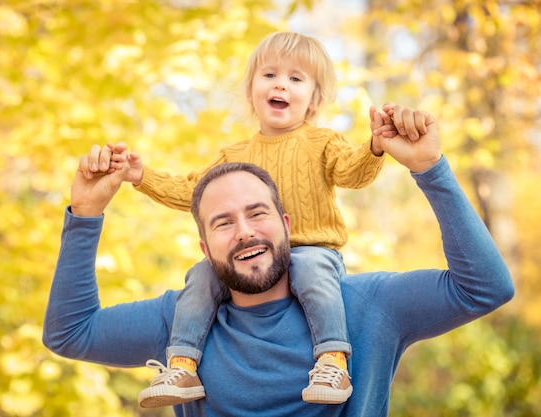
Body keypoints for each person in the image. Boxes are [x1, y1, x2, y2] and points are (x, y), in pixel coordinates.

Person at [43, 102, 514, 417]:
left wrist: (429, 169)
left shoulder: (367, 307)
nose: (245, 230)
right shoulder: (183, 320)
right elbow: (69, 334)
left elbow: (485, 288)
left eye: (257, 213)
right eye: (223, 222)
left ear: (287, 226)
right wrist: (86, 214)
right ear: (205, 248)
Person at [109, 31, 394, 408]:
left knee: (308, 269)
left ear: (314, 100)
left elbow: (353, 173)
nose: (281, 84)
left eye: (296, 78)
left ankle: (333, 360)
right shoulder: (235, 154)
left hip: (313, 250)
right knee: (201, 275)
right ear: (251, 92)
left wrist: (374, 146)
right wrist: (142, 177)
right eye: (270, 75)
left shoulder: (323, 142)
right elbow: (193, 192)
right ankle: (182, 365)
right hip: (250, 259)